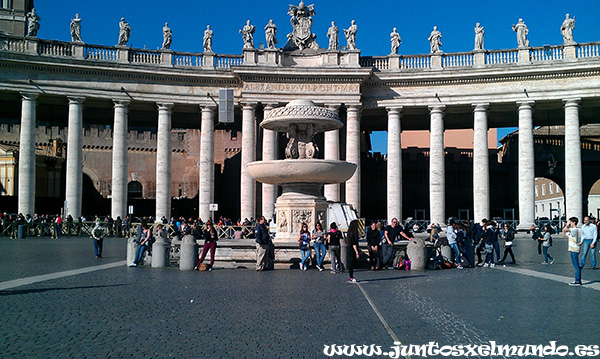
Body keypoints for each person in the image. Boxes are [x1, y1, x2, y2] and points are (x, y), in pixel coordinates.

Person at [563, 217, 582, 285]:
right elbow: (564, 234)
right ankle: (577, 280)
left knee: (576, 266)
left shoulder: (575, 229)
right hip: (572, 249)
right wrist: (565, 227)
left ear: (574, 222)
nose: (569, 223)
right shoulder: (572, 230)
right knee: (575, 265)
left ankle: (577, 281)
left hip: (575, 249)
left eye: (570, 222)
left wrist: (567, 225)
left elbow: (566, 229)